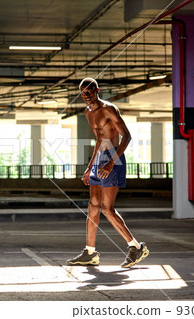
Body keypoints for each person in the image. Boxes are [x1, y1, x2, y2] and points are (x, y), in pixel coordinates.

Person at [67, 77, 149, 268]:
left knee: (106, 208)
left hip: (114, 159)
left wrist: (111, 163)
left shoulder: (109, 109)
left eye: (89, 91)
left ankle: (136, 247)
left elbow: (126, 136)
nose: (86, 96)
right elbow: (99, 140)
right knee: (93, 206)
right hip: (99, 162)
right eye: (83, 93)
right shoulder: (88, 112)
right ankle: (89, 252)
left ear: (97, 90)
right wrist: (90, 167)